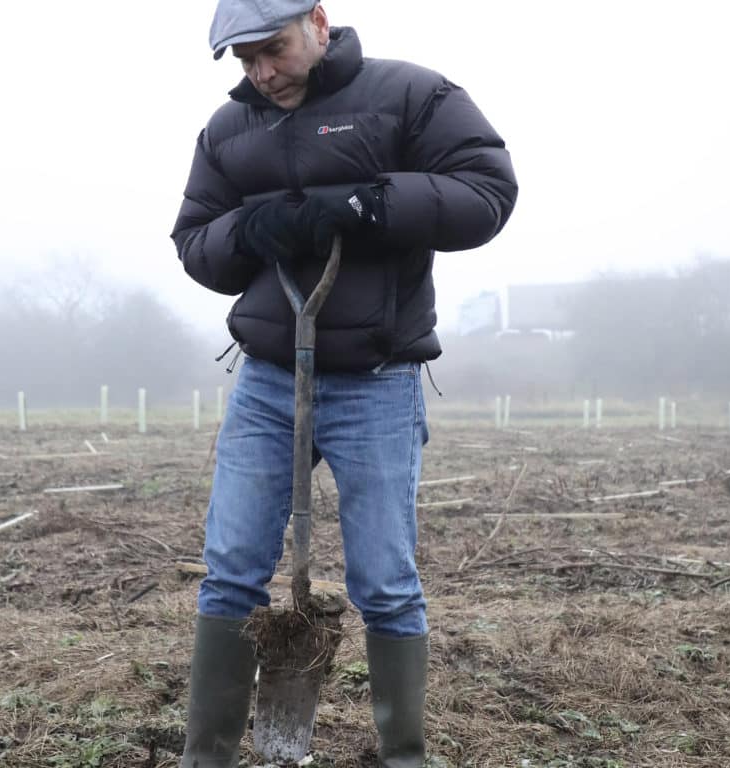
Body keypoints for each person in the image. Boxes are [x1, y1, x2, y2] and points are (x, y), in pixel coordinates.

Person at [170, 1, 517, 765]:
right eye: (244, 60)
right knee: (230, 571)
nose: (262, 72)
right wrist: (247, 231)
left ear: (319, 23)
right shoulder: (230, 131)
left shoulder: (408, 97)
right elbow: (195, 243)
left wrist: (372, 202)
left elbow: (487, 191)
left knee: (386, 580)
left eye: (275, 49)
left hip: (377, 379)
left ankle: (404, 755)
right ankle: (208, 755)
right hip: (266, 379)